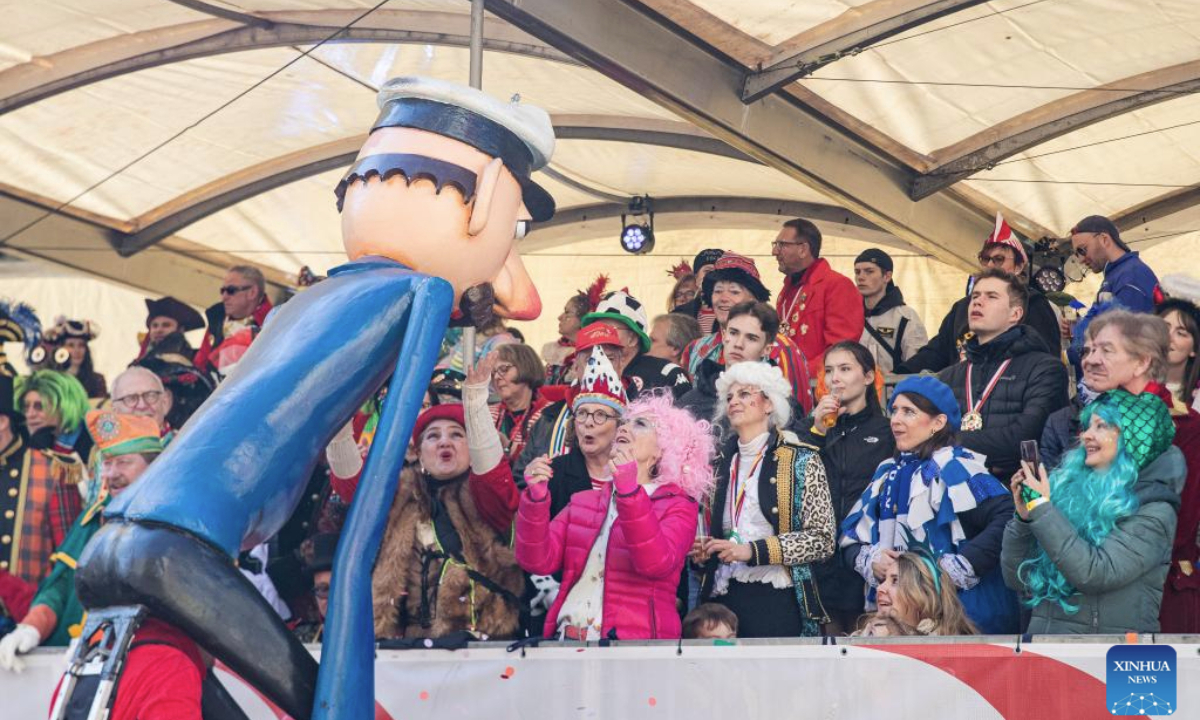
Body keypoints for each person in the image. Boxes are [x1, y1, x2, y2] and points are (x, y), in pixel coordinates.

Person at [516, 391, 716, 640]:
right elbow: (536, 560)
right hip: (567, 641)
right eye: (626, 421)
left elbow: (655, 564)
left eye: (640, 424)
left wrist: (629, 491)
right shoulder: (584, 501)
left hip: (634, 649)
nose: (625, 427)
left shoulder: (679, 505)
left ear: (663, 450)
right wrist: (535, 501)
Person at [841, 376, 1018, 634]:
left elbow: (1008, 516)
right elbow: (849, 537)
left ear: (938, 422)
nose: (896, 420)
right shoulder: (887, 472)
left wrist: (955, 568)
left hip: (959, 618)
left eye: (909, 412)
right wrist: (872, 560)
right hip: (900, 623)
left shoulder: (955, 465)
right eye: (894, 411)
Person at [1002, 388, 1183, 634]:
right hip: (1048, 652)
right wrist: (1024, 519)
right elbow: (1017, 579)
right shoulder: (1063, 494)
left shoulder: (1154, 510)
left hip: (1113, 659)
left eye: (1101, 426)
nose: (1086, 435)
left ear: (1135, 437)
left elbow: (1094, 573)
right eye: (1087, 426)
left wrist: (1042, 509)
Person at [0, 411, 163, 669]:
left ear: (153, 466)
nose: (111, 473)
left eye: (123, 462)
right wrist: (32, 627)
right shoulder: (93, 518)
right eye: (107, 462)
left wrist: (101, 638)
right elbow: (61, 586)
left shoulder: (165, 526)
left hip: (136, 667)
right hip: (69, 664)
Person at [371, 363, 523, 640]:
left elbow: (491, 470)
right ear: (418, 452)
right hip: (406, 652)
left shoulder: (485, 495)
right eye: (433, 436)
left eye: (456, 434)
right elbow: (350, 486)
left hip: (480, 648)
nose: (444, 442)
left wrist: (475, 400)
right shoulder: (399, 495)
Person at [697, 362, 835, 638]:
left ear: (769, 404)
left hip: (776, 599)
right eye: (730, 397)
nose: (735, 401)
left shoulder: (801, 458)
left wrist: (753, 551)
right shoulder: (718, 463)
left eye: (745, 394)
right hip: (722, 597)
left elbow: (823, 539)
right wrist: (702, 552)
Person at [937, 269, 1068, 481]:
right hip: (954, 491)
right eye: (975, 296)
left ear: (1015, 314)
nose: (978, 302)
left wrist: (949, 441)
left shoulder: (1045, 369)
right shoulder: (949, 376)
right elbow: (926, 432)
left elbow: (1025, 437)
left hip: (1016, 494)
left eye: (991, 296)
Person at [801, 341, 895, 634]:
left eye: (845, 369)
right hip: (821, 559)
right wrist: (817, 430)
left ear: (868, 377)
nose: (834, 378)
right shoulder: (812, 428)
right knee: (827, 649)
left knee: (866, 644)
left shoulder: (887, 430)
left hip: (864, 557)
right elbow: (798, 474)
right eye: (828, 371)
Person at [900, 216, 1061, 373]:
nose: (990, 264)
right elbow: (936, 352)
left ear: (1018, 266)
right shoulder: (962, 307)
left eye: (999, 259)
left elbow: (1046, 360)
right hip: (964, 392)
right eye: (985, 259)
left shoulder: (1033, 304)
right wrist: (898, 373)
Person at [682, 252, 814, 414]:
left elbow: (797, 412)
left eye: (734, 291)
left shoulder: (780, 347)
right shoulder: (695, 348)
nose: (723, 298)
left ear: (754, 299)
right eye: (718, 291)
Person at [773, 218, 864, 376]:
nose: (774, 252)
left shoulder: (837, 285)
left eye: (782, 245)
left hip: (822, 390)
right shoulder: (786, 291)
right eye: (775, 245)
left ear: (803, 249)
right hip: (790, 385)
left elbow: (841, 350)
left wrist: (797, 373)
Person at [678, 301, 779, 436]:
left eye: (751, 338)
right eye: (734, 333)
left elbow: (800, 455)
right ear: (724, 336)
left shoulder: (779, 404)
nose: (738, 344)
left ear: (767, 349)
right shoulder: (690, 403)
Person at [583, 290, 691, 398]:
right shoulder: (587, 371)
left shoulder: (667, 374)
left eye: (611, 329)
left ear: (632, 339)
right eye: (598, 329)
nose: (601, 334)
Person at [854, 248, 928, 374]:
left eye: (869, 271)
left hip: (892, 392)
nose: (861, 277)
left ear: (887, 276)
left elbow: (917, 365)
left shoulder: (906, 317)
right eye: (857, 272)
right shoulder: (848, 314)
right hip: (854, 392)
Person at [193, 265, 273, 381]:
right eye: (222, 291)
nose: (224, 297)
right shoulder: (216, 320)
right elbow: (200, 365)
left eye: (231, 290)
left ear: (252, 292)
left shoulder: (272, 323)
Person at [1070, 215, 1161, 315]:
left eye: (1082, 250)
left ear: (1104, 240)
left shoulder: (1131, 276)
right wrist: (1074, 326)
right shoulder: (1116, 275)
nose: (1081, 259)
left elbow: (1128, 329)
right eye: (1076, 255)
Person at [874, 552, 978, 636]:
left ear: (925, 596)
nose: (880, 588)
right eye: (883, 580)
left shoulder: (956, 653)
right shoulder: (862, 643)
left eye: (895, 581)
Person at [487, 344, 550, 465]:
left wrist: (509, 447)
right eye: (493, 372)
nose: (496, 377)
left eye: (504, 369)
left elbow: (547, 462)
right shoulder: (487, 414)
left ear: (526, 367)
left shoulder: (550, 415)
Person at [42, 317, 107, 401]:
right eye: (71, 345)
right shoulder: (49, 380)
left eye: (81, 345)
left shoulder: (97, 380)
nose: (77, 351)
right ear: (60, 349)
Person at [293, 533, 338, 643]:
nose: (332, 598)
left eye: (339, 589)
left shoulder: (381, 639)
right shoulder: (299, 641)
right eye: (323, 590)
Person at [134, 296, 205, 364]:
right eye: (154, 326)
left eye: (166, 325)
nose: (159, 330)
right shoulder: (138, 363)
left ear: (180, 330)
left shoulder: (197, 359)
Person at [672, 248, 724, 334]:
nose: (714, 276)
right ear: (696, 278)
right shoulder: (679, 316)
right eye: (708, 271)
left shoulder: (741, 313)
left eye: (720, 271)